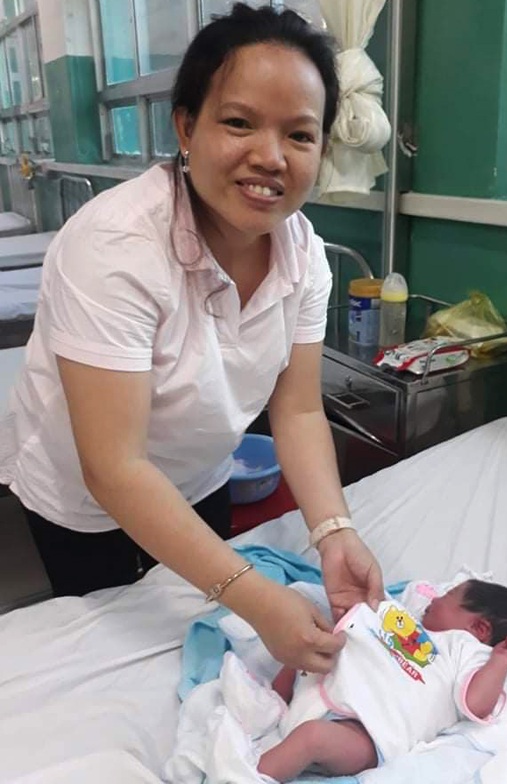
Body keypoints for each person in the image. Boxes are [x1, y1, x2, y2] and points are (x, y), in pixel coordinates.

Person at [0, 3, 383, 675]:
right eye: (239, 122)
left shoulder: (305, 256)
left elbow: (294, 409)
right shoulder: (114, 247)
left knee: (199, 640)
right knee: (118, 664)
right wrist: (259, 602)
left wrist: (333, 531)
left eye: (299, 135)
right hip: (86, 498)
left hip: (201, 473)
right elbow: (114, 467)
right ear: (186, 126)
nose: (269, 157)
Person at [257, 579, 507, 781]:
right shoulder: (409, 623)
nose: (434, 599)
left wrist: (501, 660)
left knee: (313, 737)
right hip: (325, 689)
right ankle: (271, 706)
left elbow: (477, 703)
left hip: (364, 732)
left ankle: (249, 777)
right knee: (304, 648)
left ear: (479, 627)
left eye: (448, 595)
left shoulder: (471, 653)